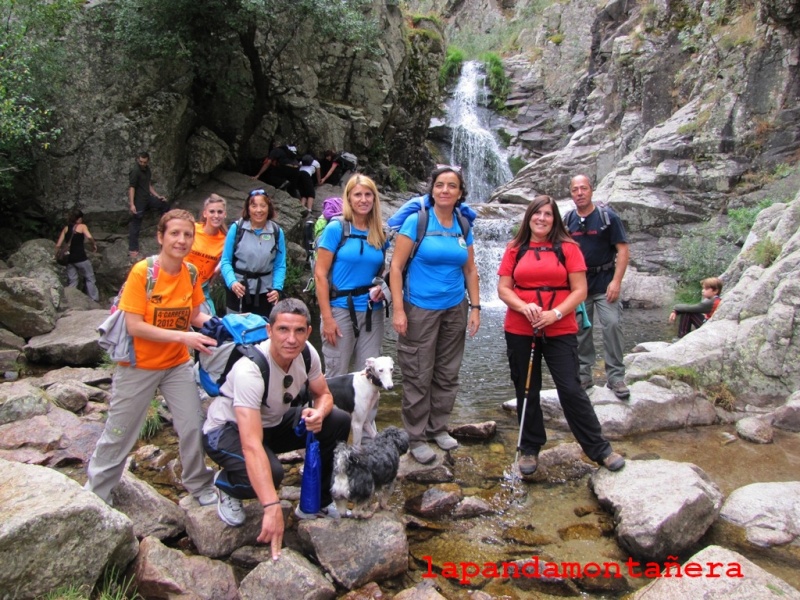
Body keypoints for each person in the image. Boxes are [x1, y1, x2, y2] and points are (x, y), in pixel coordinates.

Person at [85, 209, 217, 505]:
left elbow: (195, 315)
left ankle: (198, 483)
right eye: (174, 233)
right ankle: (95, 494)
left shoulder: (191, 272)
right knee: (119, 433)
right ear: (160, 237)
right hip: (138, 365)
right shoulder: (143, 272)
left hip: (177, 364)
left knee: (193, 425)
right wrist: (184, 337)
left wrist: (229, 328)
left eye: (187, 235)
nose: (181, 240)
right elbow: (134, 325)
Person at [202, 298, 351, 557]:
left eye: (299, 331)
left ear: (308, 332)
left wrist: (319, 412)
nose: (291, 339)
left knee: (338, 420)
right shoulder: (250, 369)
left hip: (272, 423)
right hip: (227, 430)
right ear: (270, 331)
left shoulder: (307, 354)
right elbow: (250, 444)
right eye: (283, 329)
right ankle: (226, 483)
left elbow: (324, 394)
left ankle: (317, 502)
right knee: (272, 475)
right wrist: (272, 506)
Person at [498, 195, 625, 476]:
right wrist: (524, 306)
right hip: (521, 327)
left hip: (559, 327)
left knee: (571, 388)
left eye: (548, 214)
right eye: (537, 213)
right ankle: (530, 448)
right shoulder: (514, 248)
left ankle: (599, 449)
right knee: (527, 388)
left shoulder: (568, 247)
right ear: (529, 216)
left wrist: (554, 314)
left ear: (555, 219)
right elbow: (504, 288)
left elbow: (580, 290)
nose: (542, 218)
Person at [389, 166, 481, 464]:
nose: (445, 190)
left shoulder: (464, 225)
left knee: (447, 371)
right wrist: (399, 310)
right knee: (417, 372)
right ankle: (415, 436)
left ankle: (438, 427)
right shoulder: (417, 221)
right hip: (419, 309)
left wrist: (476, 307)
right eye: (439, 185)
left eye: (451, 186)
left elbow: (470, 269)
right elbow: (396, 268)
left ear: (459, 192)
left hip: (455, 307)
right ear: (432, 190)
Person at [565, 175, 631, 399]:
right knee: (581, 330)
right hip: (579, 286)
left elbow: (622, 250)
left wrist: (616, 281)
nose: (580, 193)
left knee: (612, 325)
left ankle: (616, 377)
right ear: (571, 193)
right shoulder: (568, 220)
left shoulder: (607, 217)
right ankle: (584, 375)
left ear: (591, 190)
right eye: (575, 189)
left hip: (604, 283)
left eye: (583, 188)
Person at [315, 175, 387, 377]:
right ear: (348, 198)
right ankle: (330, 410)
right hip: (340, 310)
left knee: (370, 375)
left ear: (374, 199)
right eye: (357, 195)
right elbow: (320, 275)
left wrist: (383, 288)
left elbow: (382, 272)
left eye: (368, 195)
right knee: (336, 372)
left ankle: (366, 411)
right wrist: (327, 318)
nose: (363, 200)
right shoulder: (336, 228)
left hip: (373, 311)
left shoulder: (379, 232)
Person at [220, 189, 286, 317]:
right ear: (248, 208)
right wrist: (232, 282)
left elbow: (280, 264)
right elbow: (226, 260)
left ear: (269, 208)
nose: (259, 210)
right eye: (254, 205)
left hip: (265, 292)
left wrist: (277, 288)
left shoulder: (276, 232)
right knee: (237, 331)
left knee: (263, 330)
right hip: (239, 289)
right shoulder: (237, 228)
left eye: (263, 205)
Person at [187, 194, 228, 316]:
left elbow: (225, 262)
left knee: (211, 324)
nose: (216, 215)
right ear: (205, 213)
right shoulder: (192, 229)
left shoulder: (225, 240)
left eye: (220, 212)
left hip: (201, 288)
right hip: (180, 282)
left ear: (224, 214)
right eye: (212, 211)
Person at [128, 151, 168, 260]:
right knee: (136, 223)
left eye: (144, 162)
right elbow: (132, 188)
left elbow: (148, 184)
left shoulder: (147, 169)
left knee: (164, 205)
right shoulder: (135, 171)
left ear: (147, 161)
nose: (142, 164)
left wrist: (157, 196)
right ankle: (133, 248)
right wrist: (132, 204)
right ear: (138, 160)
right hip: (139, 201)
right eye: (140, 161)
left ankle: (165, 227)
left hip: (148, 198)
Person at [55, 208, 99, 302]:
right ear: (78, 219)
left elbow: (58, 245)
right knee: (90, 278)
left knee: (73, 280)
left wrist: (56, 255)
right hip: (81, 258)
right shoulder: (82, 226)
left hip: (70, 260)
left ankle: (70, 300)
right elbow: (89, 237)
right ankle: (94, 299)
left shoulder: (66, 228)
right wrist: (94, 244)